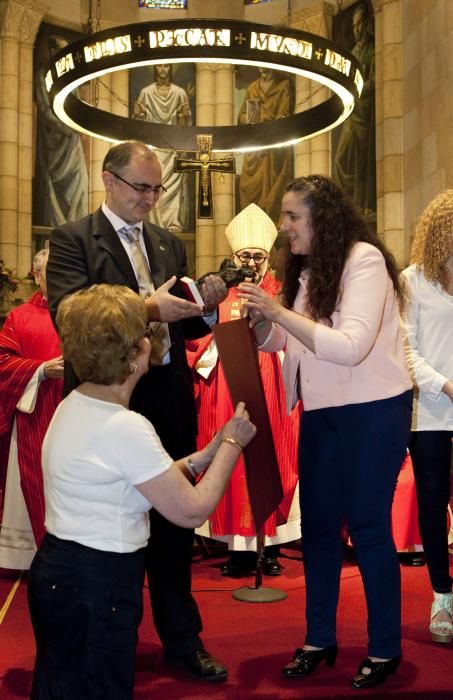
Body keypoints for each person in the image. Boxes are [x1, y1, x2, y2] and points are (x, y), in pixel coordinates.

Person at [45, 139, 230, 681]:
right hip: (105, 397)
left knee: (174, 534)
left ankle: (182, 640)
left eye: (157, 188)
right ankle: (109, 633)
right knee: (109, 526)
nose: (151, 198)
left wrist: (207, 308)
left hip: (166, 394)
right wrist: (150, 306)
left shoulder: (169, 244)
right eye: (141, 187)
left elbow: (185, 323)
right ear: (109, 179)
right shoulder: (74, 238)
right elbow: (69, 314)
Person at [27, 283, 256, 700]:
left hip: (58, 571)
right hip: (100, 585)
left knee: (57, 687)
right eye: (145, 335)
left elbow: (132, 478)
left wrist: (204, 454)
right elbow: (191, 511)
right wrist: (233, 444)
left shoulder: (75, 403)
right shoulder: (127, 427)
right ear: (134, 354)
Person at [239, 175, 412, 690]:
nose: (283, 226)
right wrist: (262, 325)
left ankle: (385, 648)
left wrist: (279, 312)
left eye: (292, 216)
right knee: (316, 529)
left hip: (374, 408)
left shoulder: (364, 260)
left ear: (322, 217)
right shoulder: (306, 269)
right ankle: (319, 638)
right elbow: (288, 343)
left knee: (367, 525)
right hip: (322, 411)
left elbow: (350, 345)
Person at [187, 203, 301, 577]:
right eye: (244, 255)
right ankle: (237, 548)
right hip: (226, 388)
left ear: (268, 257)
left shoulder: (281, 292)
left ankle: (269, 547)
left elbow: (294, 338)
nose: (251, 262)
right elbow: (195, 341)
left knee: (272, 457)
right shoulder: (219, 291)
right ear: (233, 255)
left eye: (258, 256)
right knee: (231, 458)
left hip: (271, 388)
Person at [400, 190, 453, 643]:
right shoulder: (412, 281)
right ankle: (442, 596)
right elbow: (406, 350)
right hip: (431, 415)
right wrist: (447, 385)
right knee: (434, 507)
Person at [0, 249, 63, 568]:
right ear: (36, 276)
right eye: (50, 271)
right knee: (35, 481)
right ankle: (35, 555)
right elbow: (2, 361)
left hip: (72, 410)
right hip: (34, 412)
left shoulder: (80, 311)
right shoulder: (19, 316)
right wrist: (40, 370)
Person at [33, 32, 89, 226]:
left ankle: (77, 228)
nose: (65, 54)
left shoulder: (70, 75)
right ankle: (54, 226)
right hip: (54, 139)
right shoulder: (43, 75)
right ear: (52, 51)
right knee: (52, 185)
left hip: (72, 140)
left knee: (81, 181)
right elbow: (44, 109)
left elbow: (76, 105)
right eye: (61, 50)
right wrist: (65, 128)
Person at [134, 64, 192, 232]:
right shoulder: (146, 92)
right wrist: (139, 115)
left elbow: (186, 127)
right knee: (152, 183)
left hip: (172, 147)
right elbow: (139, 125)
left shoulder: (180, 93)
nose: (163, 69)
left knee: (174, 186)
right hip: (153, 149)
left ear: (171, 69)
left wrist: (184, 116)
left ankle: (173, 223)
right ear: (155, 68)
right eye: (159, 66)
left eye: (167, 66)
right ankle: (153, 223)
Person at [332, 2, 375, 214]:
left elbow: (375, 80)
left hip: (365, 113)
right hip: (352, 114)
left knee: (360, 161)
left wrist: (358, 91)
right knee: (341, 159)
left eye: (360, 24)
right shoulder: (352, 52)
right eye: (354, 25)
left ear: (367, 23)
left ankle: (361, 206)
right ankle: (347, 210)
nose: (357, 29)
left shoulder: (372, 48)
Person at [238, 67, 295, 224]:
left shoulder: (283, 85)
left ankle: (271, 222)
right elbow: (242, 115)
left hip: (272, 146)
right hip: (255, 146)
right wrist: (249, 119)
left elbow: (284, 116)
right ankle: (252, 222)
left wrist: (264, 118)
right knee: (247, 184)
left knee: (273, 186)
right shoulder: (252, 88)